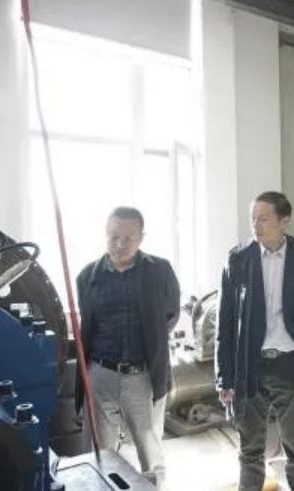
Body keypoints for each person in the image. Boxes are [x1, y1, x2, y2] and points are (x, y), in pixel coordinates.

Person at [215, 191, 294, 491]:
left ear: (284, 220)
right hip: (250, 367)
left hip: (292, 365)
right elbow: (225, 323)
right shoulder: (237, 260)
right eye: (252, 218)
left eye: (263, 219)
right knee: (249, 449)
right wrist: (224, 377)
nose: (255, 225)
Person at [76, 206, 180, 489]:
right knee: (98, 452)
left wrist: (151, 340)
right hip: (100, 375)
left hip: (142, 376)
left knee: (150, 453)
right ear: (105, 234)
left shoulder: (159, 271)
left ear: (141, 238)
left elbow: (171, 315)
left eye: (128, 238)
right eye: (113, 237)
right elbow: (88, 325)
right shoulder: (88, 276)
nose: (120, 245)